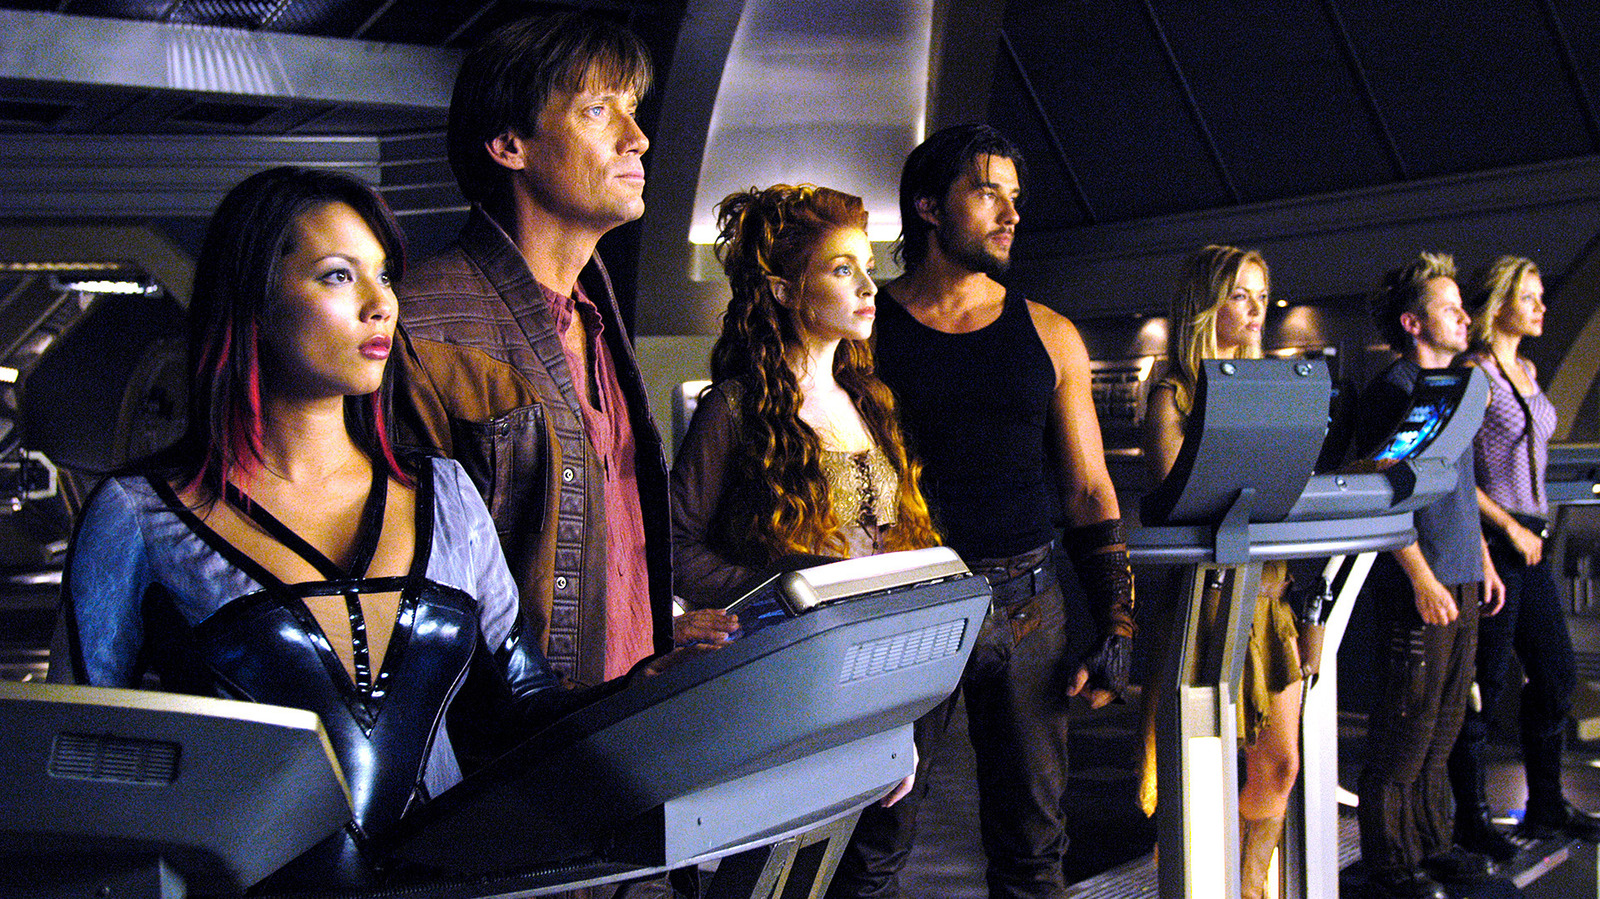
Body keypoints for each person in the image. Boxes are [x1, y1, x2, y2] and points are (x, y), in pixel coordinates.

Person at [54, 168, 584, 888]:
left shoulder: (450, 496)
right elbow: (78, 769)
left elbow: (528, 705)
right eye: (339, 276)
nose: (380, 304)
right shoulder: (138, 515)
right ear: (254, 298)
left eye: (385, 276)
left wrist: (648, 691)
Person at [828, 123, 1135, 899]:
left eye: (1015, 197)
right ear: (929, 207)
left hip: (1029, 606)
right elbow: (836, 487)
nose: (1011, 214)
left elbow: (1089, 490)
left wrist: (1118, 621)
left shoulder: (1050, 334)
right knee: (871, 847)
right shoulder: (862, 335)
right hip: (905, 609)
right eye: (988, 193)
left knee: (1033, 849)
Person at [394, 12, 672, 688]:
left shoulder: (595, 311)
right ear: (509, 144)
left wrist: (661, 630)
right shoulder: (422, 324)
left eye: (632, 110)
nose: (636, 137)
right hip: (529, 739)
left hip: (628, 717)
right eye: (598, 111)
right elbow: (416, 601)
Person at [671, 183, 940, 619]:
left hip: (878, 636)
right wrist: (784, 590)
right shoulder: (735, 407)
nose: (869, 287)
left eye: (869, 268)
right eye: (843, 270)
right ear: (786, 292)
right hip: (793, 641)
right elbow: (674, 547)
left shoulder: (870, 400)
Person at [1141, 245, 1303, 899]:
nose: (1256, 308)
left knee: (1281, 763)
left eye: (1263, 295)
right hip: (1205, 603)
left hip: (1268, 596)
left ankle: (1251, 886)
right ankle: (1201, 883)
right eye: (1240, 294)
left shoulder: (1270, 388)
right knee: (1197, 773)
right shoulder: (1174, 393)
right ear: (1207, 303)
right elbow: (1176, 500)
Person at [1354, 252, 1507, 899]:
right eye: (1451, 309)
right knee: (1406, 725)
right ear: (1413, 323)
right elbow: (1380, 493)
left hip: (1462, 573)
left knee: (1443, 724)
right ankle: (1391, 862)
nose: (1466, 318)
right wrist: (1419, 576)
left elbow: (1460, 488)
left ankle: (1432, 844)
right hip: (1422, 581)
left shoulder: (1454, 387)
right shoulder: (1392, 390)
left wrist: (1483, 561)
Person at [1448, 255, 1600, 858]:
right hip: (1498, 539)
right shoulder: (1474, 372)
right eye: (1529, 297)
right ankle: (1471, 819)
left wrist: (1526, 529)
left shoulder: (1529, 369)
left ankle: (1546, 804)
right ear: (1499, 303)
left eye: (1541, 296)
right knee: (1484, 684)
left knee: (1556, 674)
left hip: (1531, 536)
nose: (1541, 307)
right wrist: (1507, 528)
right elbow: (1457, 471)